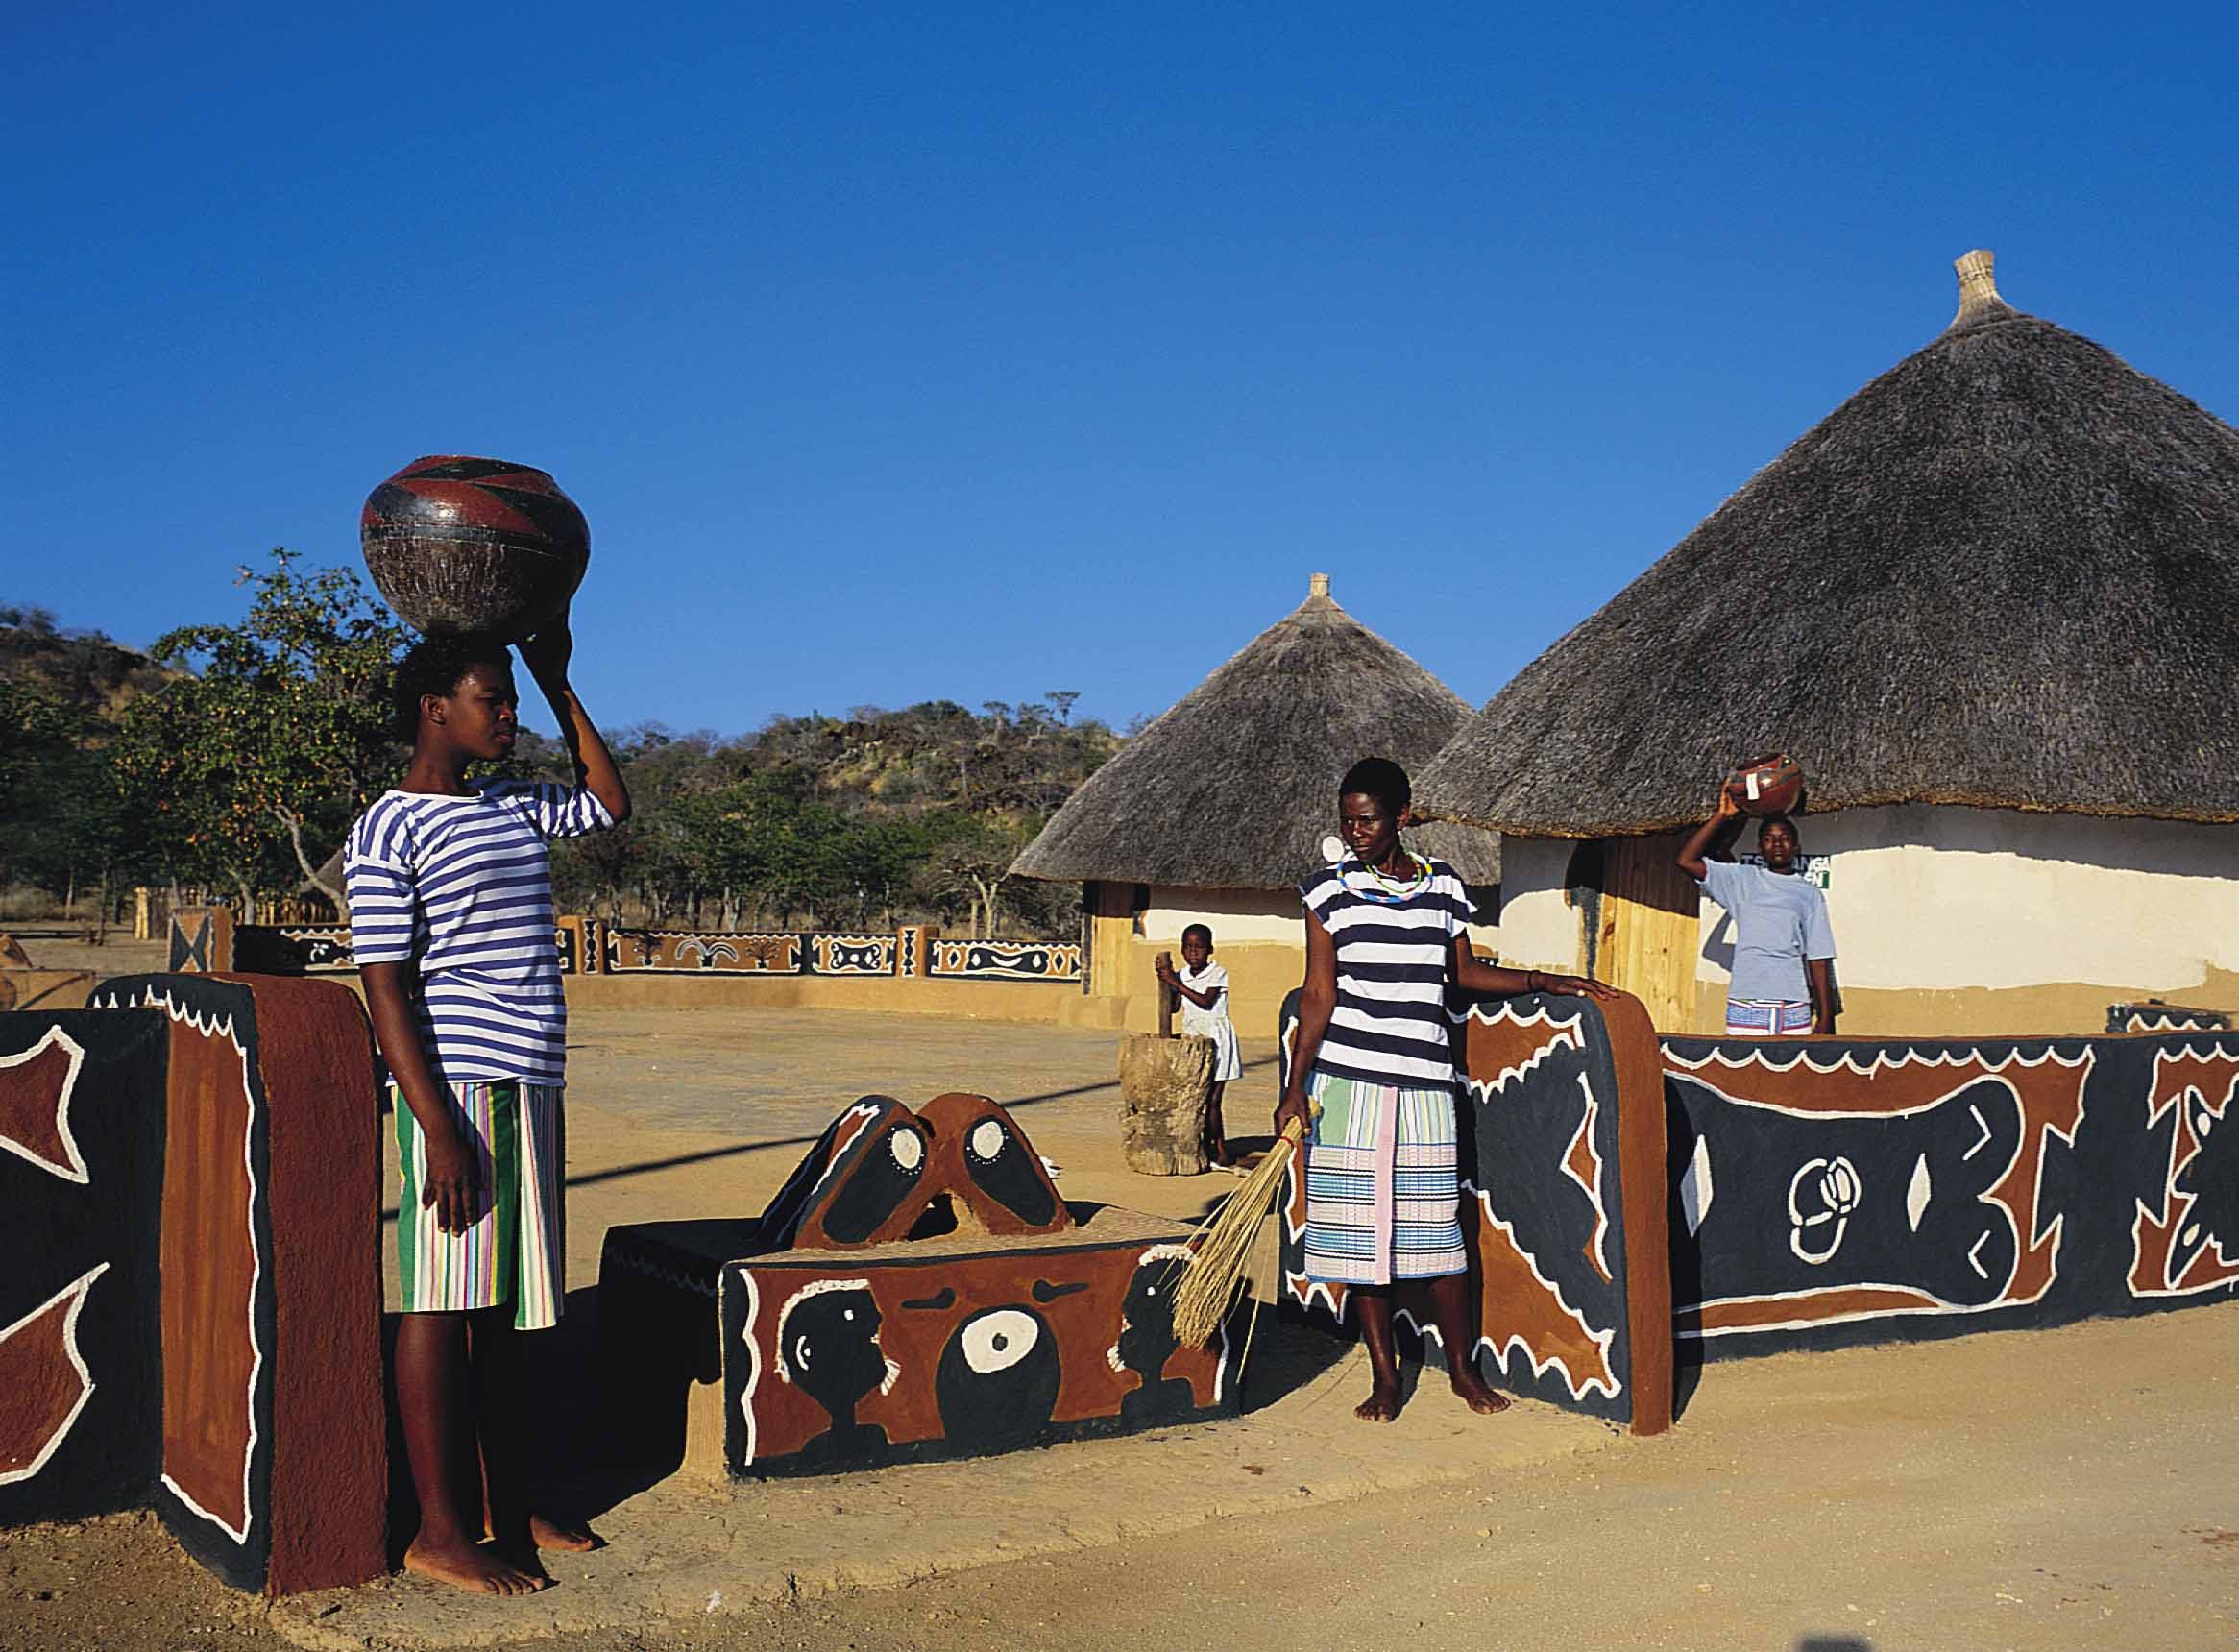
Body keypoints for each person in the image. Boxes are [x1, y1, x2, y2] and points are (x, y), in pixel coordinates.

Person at [345, 616, 628, 1595]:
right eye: (491, 698)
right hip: (455, 1085)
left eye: (509, 700)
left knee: (505, 1306)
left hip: (532, 1079)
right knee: (439, 1299)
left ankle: (515, 1501)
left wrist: (557, 681)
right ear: (436, 709)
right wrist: (436, 1127)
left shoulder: (512, 805)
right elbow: (384, 984)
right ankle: (439, 1528)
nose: (505, 716)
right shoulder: (388, 826)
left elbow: (608, 802)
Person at [1278, 757, 1616, 1422]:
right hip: (1347, 1084)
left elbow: (1460, 973)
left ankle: (1463, 1372)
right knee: (1361, 1240)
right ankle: (1383, 1377)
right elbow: (1320, 993)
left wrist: (1544, 982)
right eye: (1347, 821)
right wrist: (1295, 1085)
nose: (1356, 832)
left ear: (1401, 817)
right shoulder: (1326, 892)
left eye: (1368, 820)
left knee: (1437, 1235)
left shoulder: (1443, 888)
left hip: (1427, 1084)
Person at [1675, 789, 1837, 1036]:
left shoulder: (1809, 894)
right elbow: (1685, 861)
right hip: (1746, 1003)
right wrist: (1722, 815)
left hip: (1792, 1004)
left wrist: (1825, 1016)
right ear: (1760, 847)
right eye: (1769, 839)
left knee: (1793, 1074)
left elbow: (1818, 956)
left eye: (1784, 838)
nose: (1777, 844)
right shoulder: (1742, 879)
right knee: (1745, 1072)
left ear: (1796, 847)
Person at [1155, 923, 1241, 1165]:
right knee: (1196, 1098)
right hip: (1193, 1041)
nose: (1193, 953)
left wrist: (1176, 983)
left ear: (1210, 949)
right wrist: (1167, 983)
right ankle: (1201, 1145)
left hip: (1216, 1039)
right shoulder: (1181, 974)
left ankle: (1221, 1149)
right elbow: (1173, 1008)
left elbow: (1205, 1001)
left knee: (1213, 1100)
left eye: (1199, 947)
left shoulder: (1217, 973)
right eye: (1188, 947)